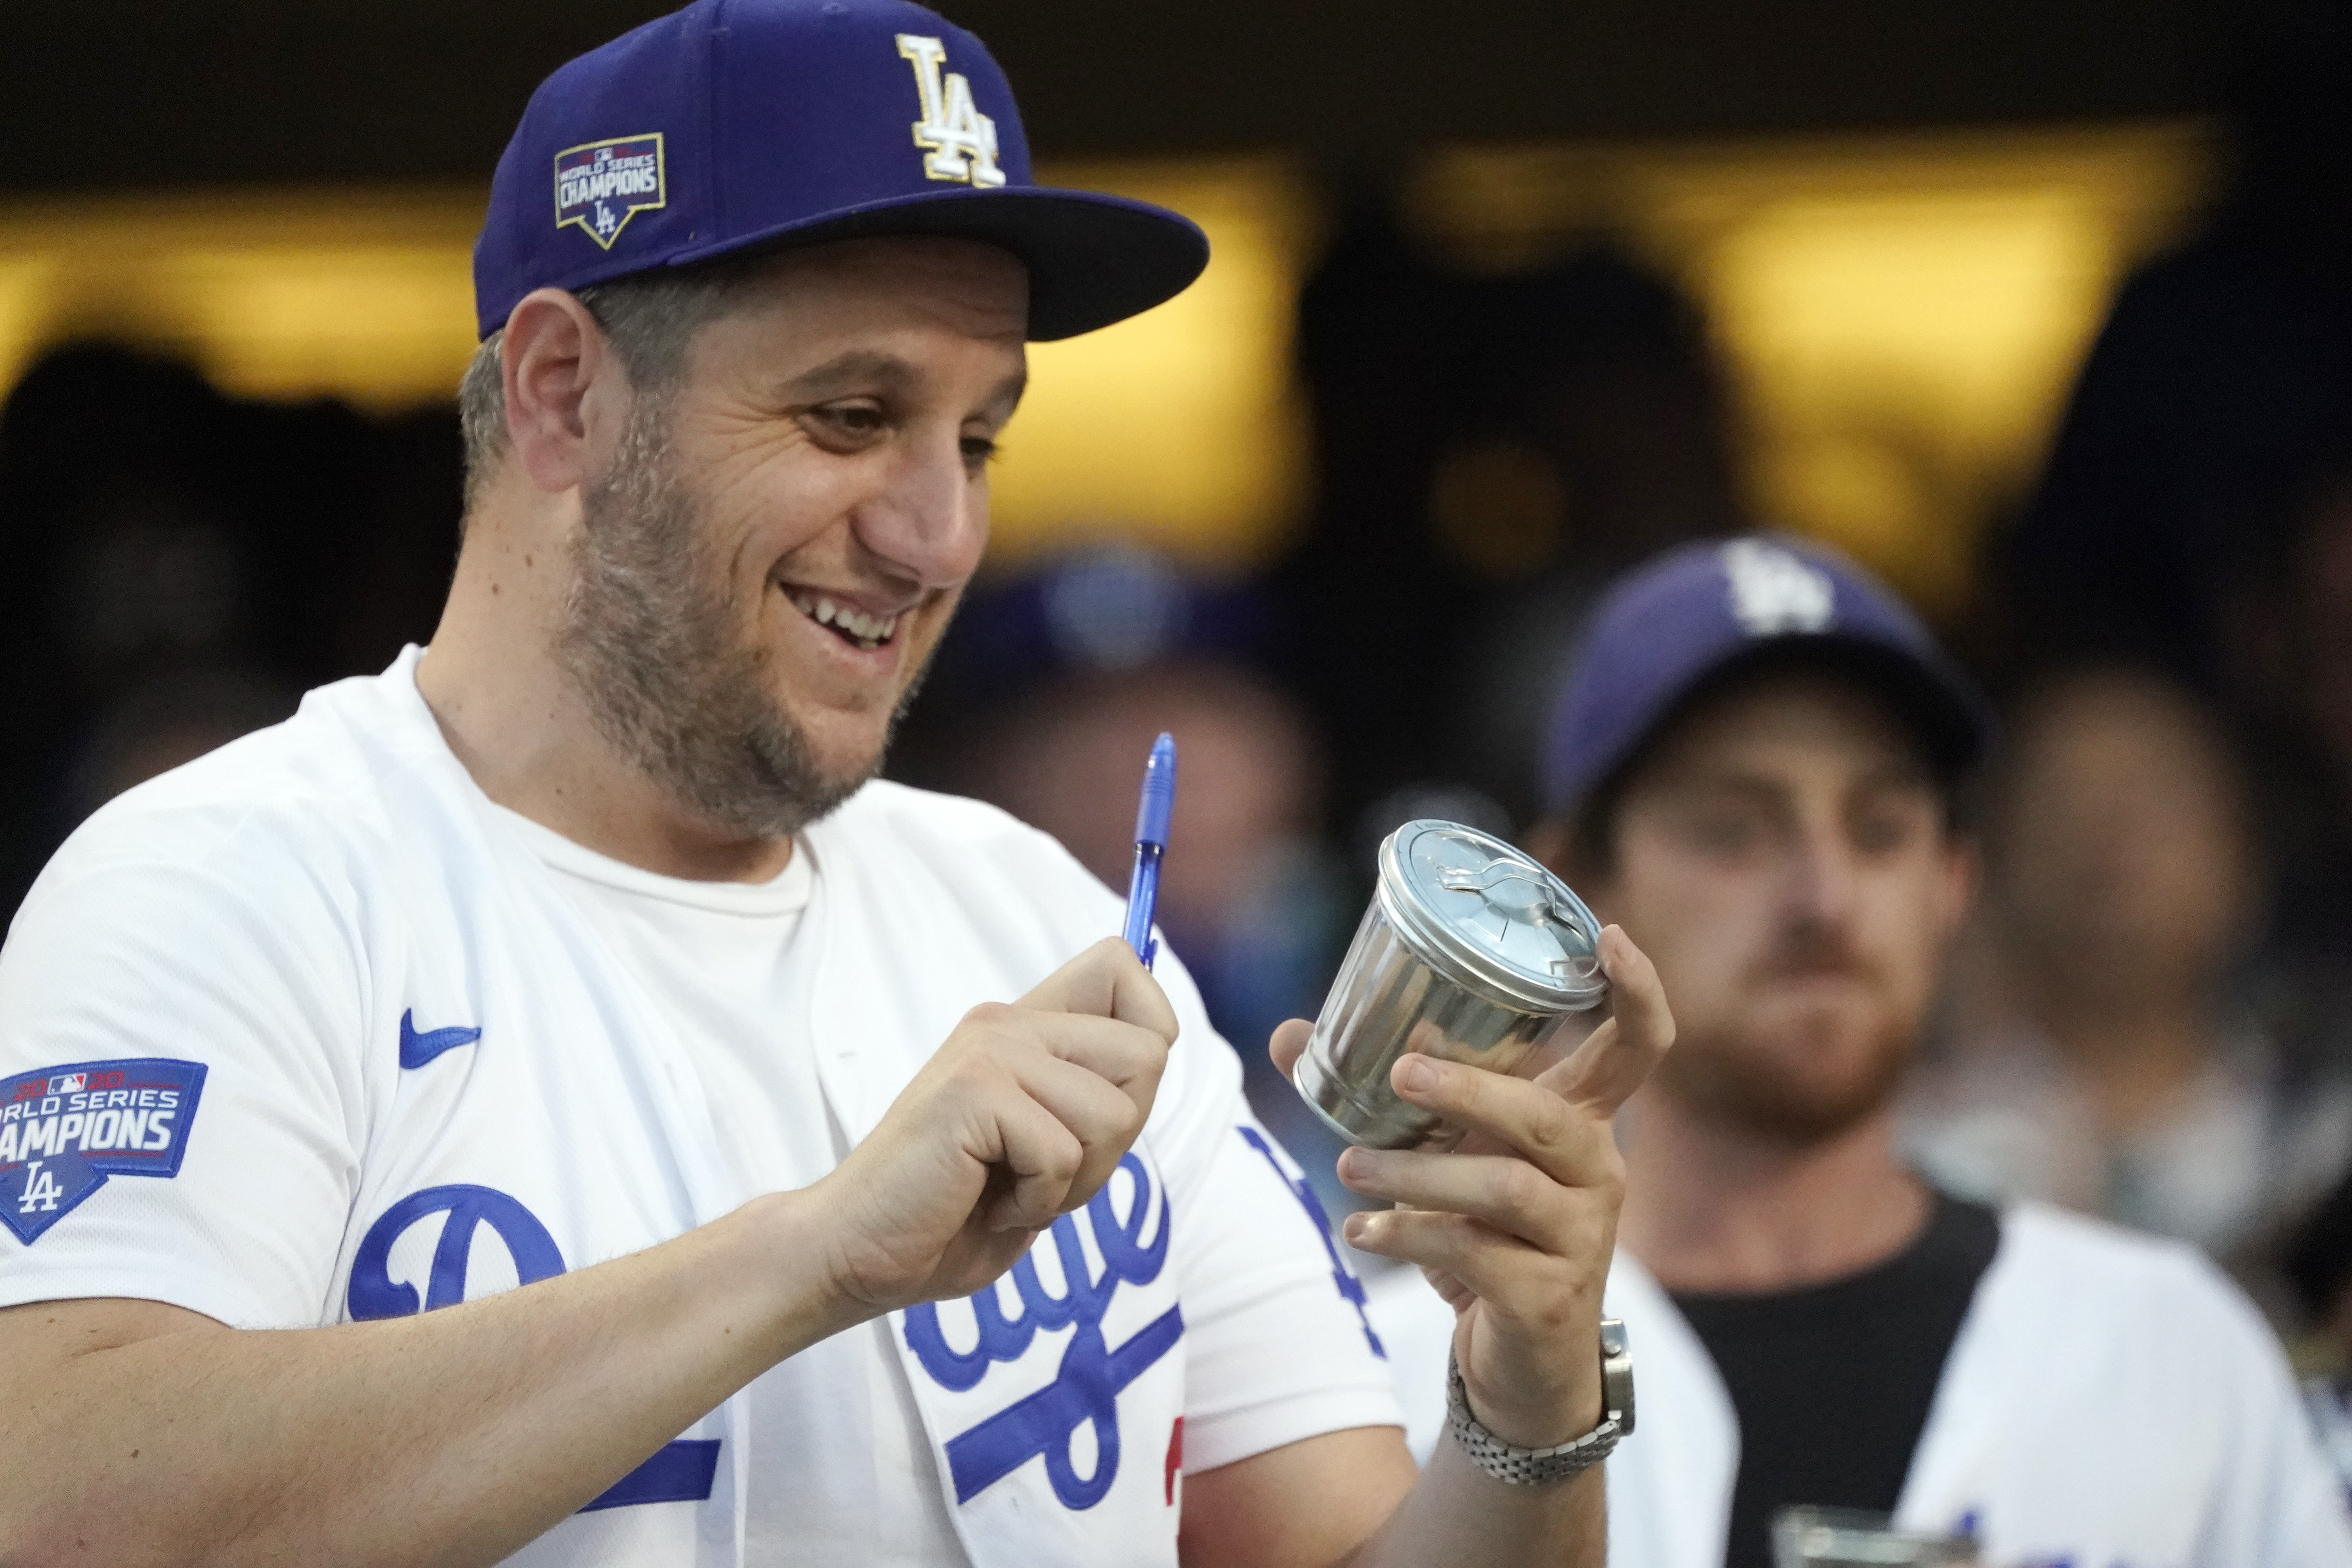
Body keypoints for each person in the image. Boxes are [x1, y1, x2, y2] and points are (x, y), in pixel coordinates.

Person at [0, 3, 1670, 1566]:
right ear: (565, 392)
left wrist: (1525, 1391)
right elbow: (59, 1491)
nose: (939, 531)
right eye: (852, 413)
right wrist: (812, 1253)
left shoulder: (1034, 915)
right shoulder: (226, 881)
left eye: (979, 436)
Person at [1364, 536, 2352, 1567]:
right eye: (1732, 830)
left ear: (1953, 883)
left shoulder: (2169, 1350)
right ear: (1574, 889)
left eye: (1879, 830)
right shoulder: (1393, 1369)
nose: (1824, 899)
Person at [1905, 666, 2352, 1284]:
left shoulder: (2325, 1150)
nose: (2110, 852)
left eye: (2154, 806)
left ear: (2246, 859)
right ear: (1987, 865)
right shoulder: (1913, 1156)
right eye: (2062, 807)